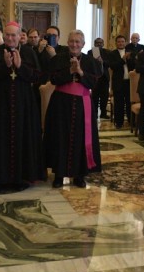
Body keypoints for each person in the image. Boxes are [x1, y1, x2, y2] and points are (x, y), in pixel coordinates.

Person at [0, 23, 44, 192]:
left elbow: (38, 77)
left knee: (22, 137)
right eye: (7, 35)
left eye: (13, 35)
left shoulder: (29, 52)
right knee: (0, 139)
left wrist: (21, 66)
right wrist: (5, 66)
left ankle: (20, 178)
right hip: (1, 104)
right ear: (3, 35)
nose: (10, 38)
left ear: (19, 36)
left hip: (24, 104)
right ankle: (0, 179)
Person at [44, 30, 102, 188]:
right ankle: (59, 175)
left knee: (81, 139)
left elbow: (93, 84)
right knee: (60, 137)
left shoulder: (90, 61)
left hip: (83, 105)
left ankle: (80, 175)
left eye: (78, 42)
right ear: (67, 42)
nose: (74, 44)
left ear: (83, 44)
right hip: (61, 105)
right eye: (72, 41)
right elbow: (54, 79)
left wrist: (80, 72)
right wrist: (70, 71)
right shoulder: (58, 59)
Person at [107, 34, 136, 129]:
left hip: (129, 82)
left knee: (129, 102)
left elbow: (134, 65)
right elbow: (113, 66)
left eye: (122, 41)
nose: (121, 43)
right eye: (119, 41)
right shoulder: (112, 54)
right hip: (118, 82)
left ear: (125, 43)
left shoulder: (130, 53)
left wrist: (129, 60)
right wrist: (123, 60)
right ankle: (119, 122)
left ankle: (131, 121)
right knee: (119, 104)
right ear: (116, 43)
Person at [88, 37, 110, 119]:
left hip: (105, 77)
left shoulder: (107, 52)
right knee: (95, 96)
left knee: (105, 96)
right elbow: (89, 64)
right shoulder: (90, 52)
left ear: (103, 44)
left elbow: (109, 64)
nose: (99, 44)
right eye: (97, 43)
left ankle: (103, 113)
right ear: (94, 44)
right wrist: (95, 61)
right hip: (95, 77)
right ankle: (95, 113)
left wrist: (102, 61)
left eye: (100, 43)